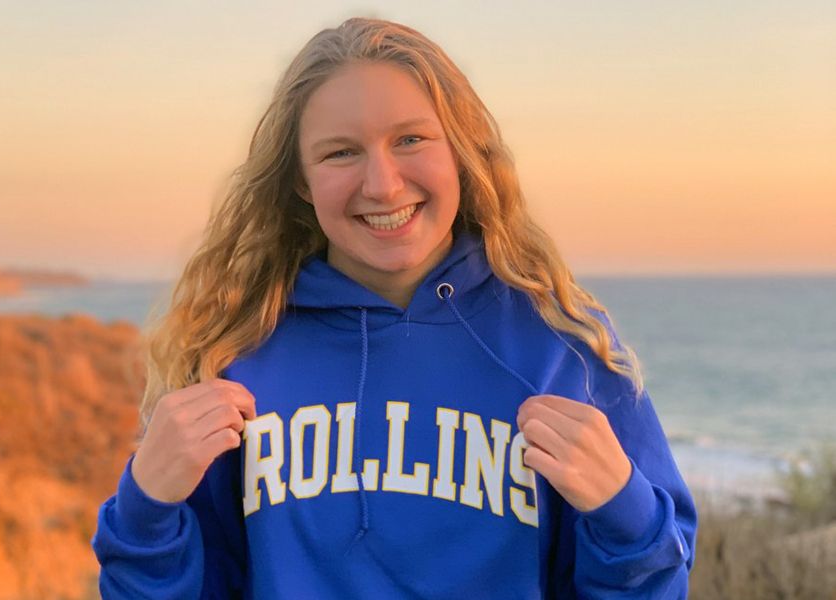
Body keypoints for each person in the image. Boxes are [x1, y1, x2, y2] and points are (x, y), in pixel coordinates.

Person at [92, 16, 697, 599]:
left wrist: (623, 507)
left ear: (460, 152)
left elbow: (655, 586)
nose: (381, 184)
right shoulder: (234, 352)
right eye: (340, 153)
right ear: (301, 183)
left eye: (409, 139)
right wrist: (146, 506)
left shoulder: (563, 347)